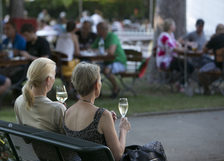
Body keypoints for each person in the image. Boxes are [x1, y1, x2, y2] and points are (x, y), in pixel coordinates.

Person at [63, 62, 131, 161]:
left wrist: (107, 123)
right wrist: (123, 130)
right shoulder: (102, 115)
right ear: (96, 85)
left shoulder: (67, 112)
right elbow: (118, 156)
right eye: (100, 80)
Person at [14, 57, 66, 160]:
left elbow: (25, 138)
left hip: (34, 157)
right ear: (48, 80)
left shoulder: (19, 101)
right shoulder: (57, 109)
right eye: (54, 75)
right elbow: (70, 141)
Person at [91, 22, 127, 97]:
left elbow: (111, 52)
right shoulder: (100, 38)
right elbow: (92, 48)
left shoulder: (112, 36)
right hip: (107, 62)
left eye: (98, 30)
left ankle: (116, 87)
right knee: (93, 69)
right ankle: (97, 90)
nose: (97, 32)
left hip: (118, 61)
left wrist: (100, 50)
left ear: (103, 30)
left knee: (106, 70)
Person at [156, 18, 194, 87]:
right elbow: (173, 48)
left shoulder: (171, 35)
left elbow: (176, 44)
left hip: (171, 59)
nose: (175, 26)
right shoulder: (164, 36)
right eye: (174, 25)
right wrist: (185, 49)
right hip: (165, 61)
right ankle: (180, 84)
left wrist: (186, 45)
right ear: (170, 26)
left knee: (190, 66)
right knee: (186, 66)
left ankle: (180, 83)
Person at [198, 23, 224, 94]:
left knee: (201, 72)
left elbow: (204, 50)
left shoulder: (215, 38)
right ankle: (214, 87)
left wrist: (210, 40)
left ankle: (207, 89)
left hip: (219, 65)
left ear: (216, 31)